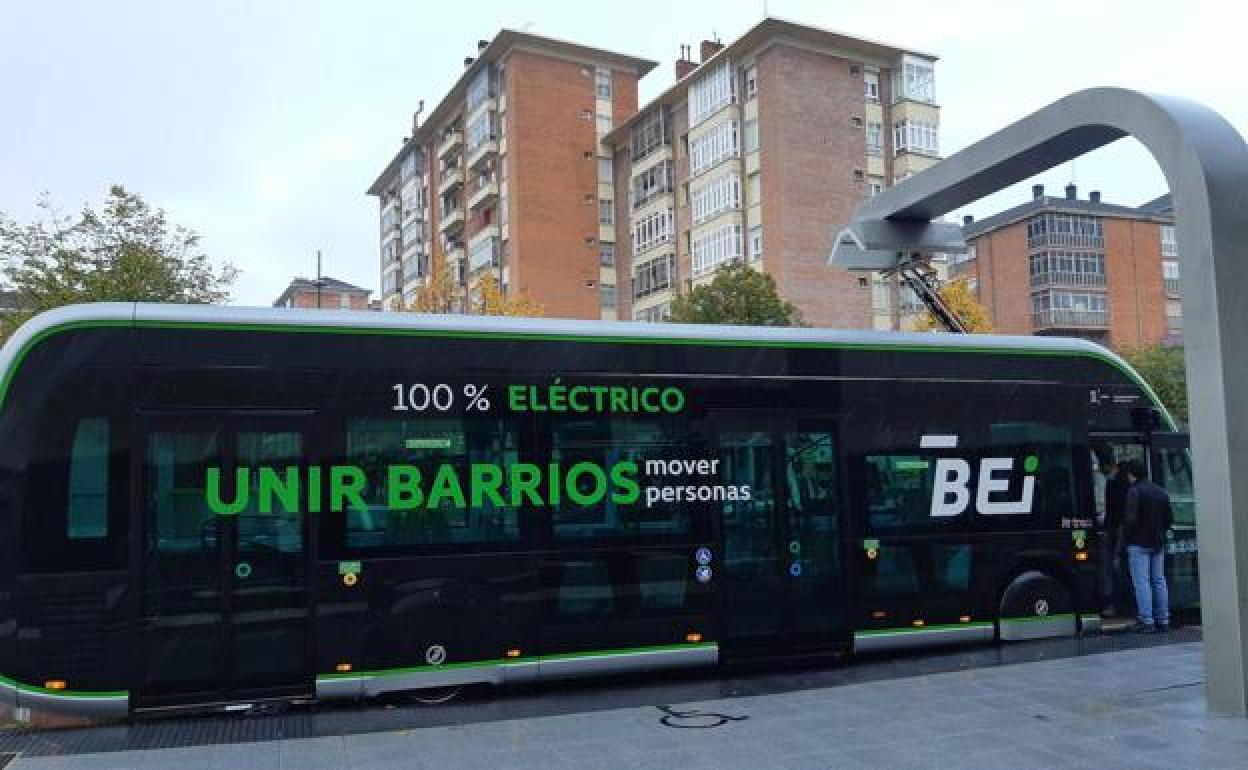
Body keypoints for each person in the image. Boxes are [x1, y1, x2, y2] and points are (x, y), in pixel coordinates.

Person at [1121, 460, 1174, 633]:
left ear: (1132, 474)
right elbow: (1169, 520)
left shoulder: (1134, 491)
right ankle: (1163, 619)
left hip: (1138, 543)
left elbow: (1130, 520)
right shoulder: (1161, 492)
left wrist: (1125, 540)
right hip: (1158, 543)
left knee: (1141, 582)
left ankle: (1147, 620)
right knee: (1159, 580)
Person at [1100, 454, 1132, 616]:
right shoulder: (1127, 483)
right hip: (1119, 531)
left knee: (1115, 568)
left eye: (1103, 469)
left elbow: (1115, 511)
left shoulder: (1115, 483)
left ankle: (1117, 605)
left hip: (1117, 531)